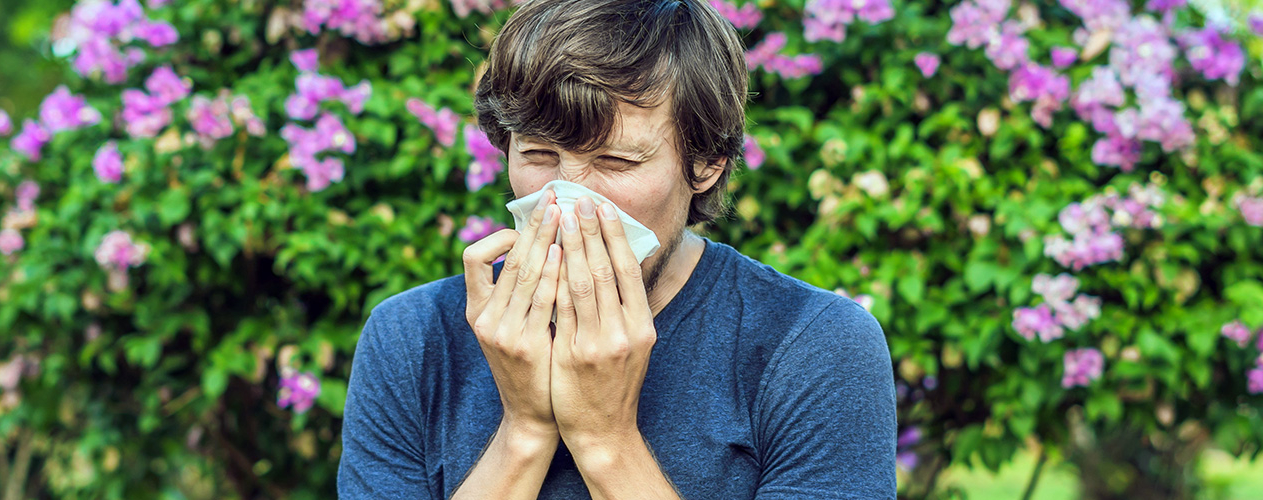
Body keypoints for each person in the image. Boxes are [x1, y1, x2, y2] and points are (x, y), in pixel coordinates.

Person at [337, 0, 897, 498]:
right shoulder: (411, 338)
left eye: (615, 162)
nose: (570, 201)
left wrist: (604, 439)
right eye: (537, 154)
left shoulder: (814, 345)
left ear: (705, 164)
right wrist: (526, 430)